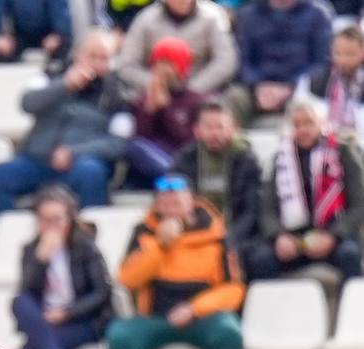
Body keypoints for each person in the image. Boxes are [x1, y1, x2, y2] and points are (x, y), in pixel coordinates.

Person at [0, 31, 130, 217]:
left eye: (103, 58)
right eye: (91, 56)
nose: (96, 63)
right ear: (78, 55)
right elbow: (27, 103)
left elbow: (120, 144)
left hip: (81, 164)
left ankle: (87, 237)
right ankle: (12, 232)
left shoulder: (117, 93)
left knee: (91, 173)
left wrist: (74, 152)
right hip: (38, 161)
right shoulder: (51, 75)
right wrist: (64, 86)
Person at [107, 173, 245, 349]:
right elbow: (128, 280)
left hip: (202, 317)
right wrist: (160, 246)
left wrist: (194, 309)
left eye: (177, 203)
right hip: (155, 318)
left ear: (192, 202)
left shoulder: (216, 235)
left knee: (229, 333)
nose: (172, 210)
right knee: (120, 338)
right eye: (165, 204)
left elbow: (234, 289)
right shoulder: (143, 232)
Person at [248, 100, 364, 283]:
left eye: (309, 123)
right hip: (294, 238)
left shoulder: (344, 152)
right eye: (297, 125)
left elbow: (360, 204)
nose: (303, 129)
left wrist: (333, 235)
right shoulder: (281, 158)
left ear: (322, 123)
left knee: (349, 256)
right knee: (259, 261)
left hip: (336, 235)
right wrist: (279, 236)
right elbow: (267, 208)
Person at [12, 185, 113, 349]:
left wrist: (68, 313)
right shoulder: (30, 250)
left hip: (80, 320)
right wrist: (41, 261)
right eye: (45, 220)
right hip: (44, 319)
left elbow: (102, 292)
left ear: (69, 220)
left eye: (57, 220)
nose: (51, 226)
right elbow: (28, 291)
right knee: (20, 302)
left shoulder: (85, 248)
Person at [172, 97, 262, 252]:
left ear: (234, 128)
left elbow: (250, 211)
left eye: (220, 127)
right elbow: (171, 195)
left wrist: (229, 239)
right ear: (197, 130)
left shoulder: (246, 160)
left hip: (236, 235)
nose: (214, 133)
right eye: (208, 127)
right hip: (193, 234)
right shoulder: (186, 158)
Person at [227, 0, 332, 123]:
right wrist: (258, 85)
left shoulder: (318, 14)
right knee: (232, 100)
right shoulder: (248, 14)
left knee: (307, 107)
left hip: (299, 87)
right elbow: (242, 59)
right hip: (257, 87)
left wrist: (290, 86)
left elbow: (322, 61)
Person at [114, 0, 238, 97]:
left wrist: (192, 89)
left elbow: (226, 61)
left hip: (200, 96)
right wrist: (154, 84)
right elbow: (127, 64)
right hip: (153, 95)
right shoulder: (146, 19)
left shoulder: (213, 16)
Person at [128, 37, 209, 184]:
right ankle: (173, 177)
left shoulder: (197, 100)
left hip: (184, 161)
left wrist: (166, 110)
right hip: (154, 163)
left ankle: (175, 178)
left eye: (168, 64)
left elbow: (188, 142)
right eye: (158, 63)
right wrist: (150, 110)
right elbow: (141, 138)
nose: (162, 69)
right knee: (134, 147)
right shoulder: (143, 99)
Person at [296, 26, 364, 138]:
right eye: (337, 53)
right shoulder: (315, 81)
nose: (342, 59)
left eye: (349, 54)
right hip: (325, 140)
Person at [0, 0, 71, 63]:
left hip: (48, 34)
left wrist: (58, 33)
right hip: (20, 34)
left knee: (61, 44)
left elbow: (60, 11)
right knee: (0, 51)